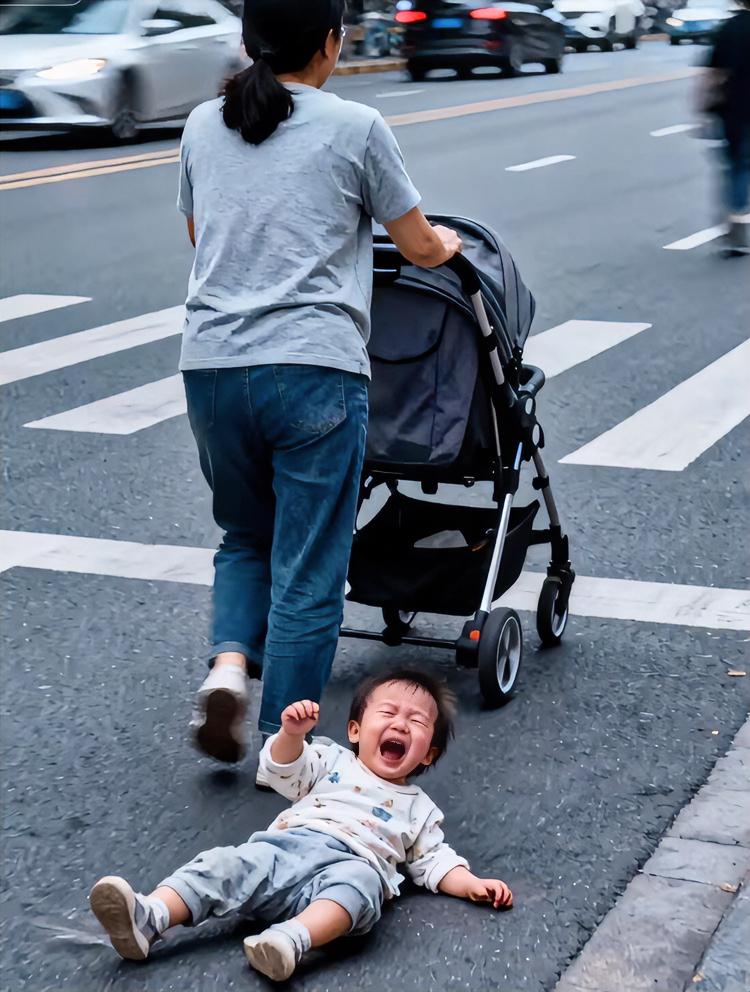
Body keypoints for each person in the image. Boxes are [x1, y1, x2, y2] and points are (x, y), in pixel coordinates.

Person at [178, 0, 462, 769]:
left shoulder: (204, 123)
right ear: (332, 43)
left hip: (212, 366)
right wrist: (446, 244)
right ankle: (286, 753)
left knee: (245, 536)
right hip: (313, 367)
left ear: (249, 41)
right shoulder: (356, 125)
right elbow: (417, 244)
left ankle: (228, 670)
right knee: (309, 565)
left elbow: (203, 236)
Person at [89, 670, 513, 982]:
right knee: (223, 864)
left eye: (417, 722)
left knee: (361, 887)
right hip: (286, 848)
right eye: (387, 712)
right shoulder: (330, 760)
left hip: (351, 864)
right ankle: (152, 915)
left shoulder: (419, 809)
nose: (400, 723)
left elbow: (435, 860)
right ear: (355, 730)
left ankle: (291, 940)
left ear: (428, 754)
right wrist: (291, 735)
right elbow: (283, 771)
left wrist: (471, 884)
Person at [706, 0, 750, 254]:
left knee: (737, 167)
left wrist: (703, 105)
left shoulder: (731, 28)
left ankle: (736, 224)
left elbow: (714, 74)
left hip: (735, 109)